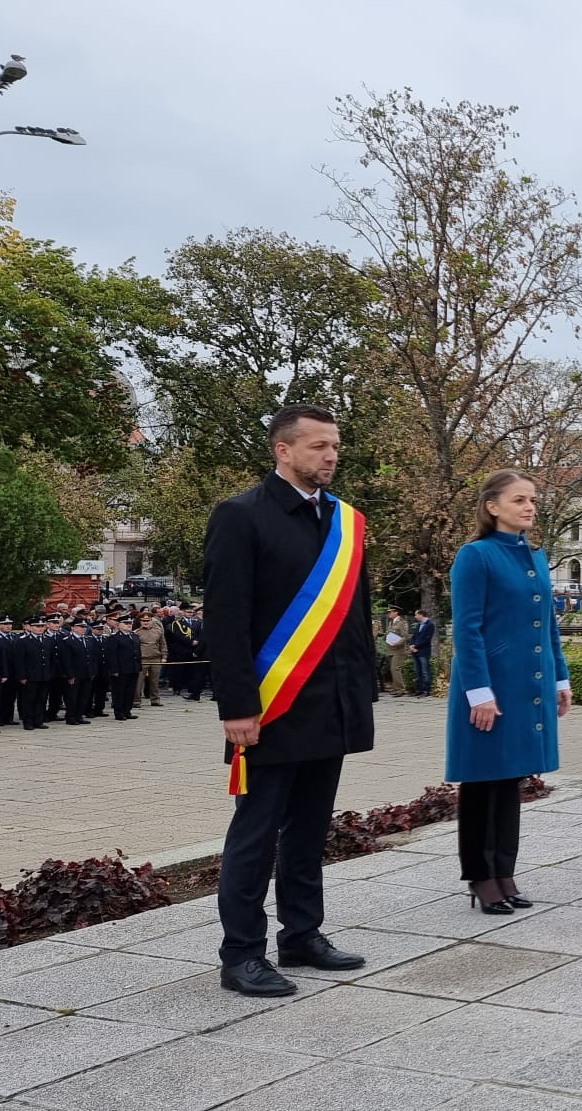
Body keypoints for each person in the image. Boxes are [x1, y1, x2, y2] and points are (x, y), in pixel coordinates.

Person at [205, 404, 375, 996]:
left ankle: (302, 934)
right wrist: (236, 707)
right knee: (256, 834)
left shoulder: (346, 521)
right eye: (318, 446)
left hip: (331, 706)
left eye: (334, 446)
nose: (330, 456)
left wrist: (360, 695)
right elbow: (225, 621)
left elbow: (356, 617)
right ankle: (241, 953)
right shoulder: (240, 516)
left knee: (309, 829)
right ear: (283, 450)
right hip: (269, 708)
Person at [446, 470, 570, 915]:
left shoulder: (535, 556)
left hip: (526, 686)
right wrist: (478, 691)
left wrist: (560, 677)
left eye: (533, 499)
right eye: (519, 500)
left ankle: (505, 870)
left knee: (511, 778)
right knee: (482, 781)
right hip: (490, 685)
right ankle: (480, 876)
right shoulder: (475, 556)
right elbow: (467, 628)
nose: (530, 506)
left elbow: (548, 625)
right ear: (492, 506)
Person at [107, 615, 140, 721]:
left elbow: (137, 653)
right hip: (121, 669)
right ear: (119, 625)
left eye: (130, 623)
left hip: (133, 668)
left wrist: (138, 667)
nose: (129, 625)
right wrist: (114, 670)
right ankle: (119, 712)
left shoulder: (134, 636)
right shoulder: (114, 638)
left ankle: (127, 710)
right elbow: (112, 655)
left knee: (130, 691)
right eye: (126, 623)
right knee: (119, 691)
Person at [137, 611, 167, 708]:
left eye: (148, 620)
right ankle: (136, 701)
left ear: (151, 621)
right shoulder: (137, 632)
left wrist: (164, 656)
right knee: (139, 682)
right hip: (142, 660)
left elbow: (163, 645)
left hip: (156, 659)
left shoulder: (158, 631)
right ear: (140, 621)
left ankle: (155, 700)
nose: (146, 622)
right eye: (143, 621)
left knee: (154, 681)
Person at [409, 609, 437, 697]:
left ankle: (426, 690)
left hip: (423, 651)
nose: (415, 617)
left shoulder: (430, 624)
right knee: (418, 672)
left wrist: (416, 646)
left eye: (416, 615)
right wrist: (412, 645)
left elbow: (427, 639)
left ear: (421, 615)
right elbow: (413, 636)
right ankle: (419, 689)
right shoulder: (418, 625)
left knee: (425, 671)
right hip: (415, 651)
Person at [384, 610, 410, 695]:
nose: (389, 614)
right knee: (393, 669)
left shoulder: (402, 622)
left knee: (395, 669)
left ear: (396, 612)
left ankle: (401, 689)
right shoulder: (391, 622)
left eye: (390, 612)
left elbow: (405, 636)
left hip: (398, 650)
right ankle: (396, 688)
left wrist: (397, 643)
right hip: (391, 650)